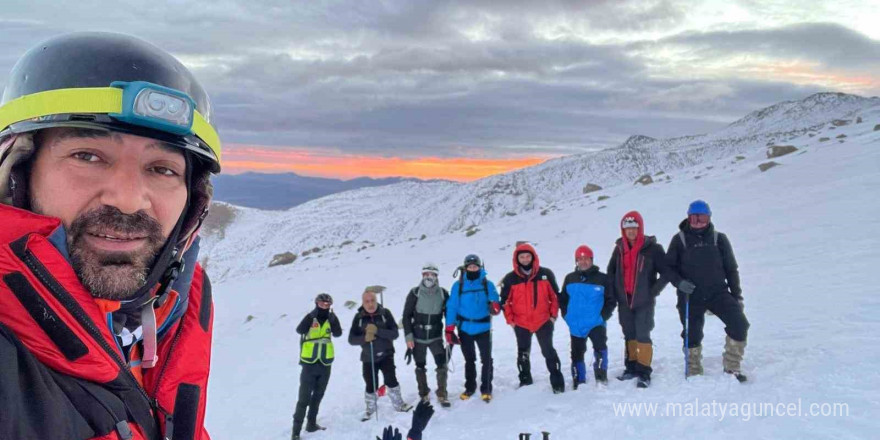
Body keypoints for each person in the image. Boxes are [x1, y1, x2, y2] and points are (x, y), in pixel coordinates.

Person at [0, 32, 221, 439]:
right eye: (88, 156)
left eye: (162, 169)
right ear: (19, 175)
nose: (129, 200)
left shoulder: (168, 320)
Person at [665, 200, 750, 382]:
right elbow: (668, 268)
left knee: (740, 324)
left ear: (709, 218)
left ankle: (732, 365)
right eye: (694, 218)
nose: (698, 221)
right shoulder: (679, 239)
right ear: (688, 218)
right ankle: (693, 367)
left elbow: (731, 269)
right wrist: (679, 283)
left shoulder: (719, 239)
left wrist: (737, 296)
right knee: (692, 333)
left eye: (702, 217)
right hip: (690, 295)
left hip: (718, 293)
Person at [607, 211, 669, 388]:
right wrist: (614, 293)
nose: (631, 232)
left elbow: (666, 273)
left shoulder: (653, 249)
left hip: (644, 301)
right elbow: (611, 272)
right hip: (624, 300)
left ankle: (644, 371)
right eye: (628, 229)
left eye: (634, 228)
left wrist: (653, 291)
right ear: (623, 230)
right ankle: (631, 367)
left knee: (642, 334)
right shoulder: (619, 249)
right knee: (629, 334)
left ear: (640, 228)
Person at [500, 244, 565, 393]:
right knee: (523, 352)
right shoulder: (510, 278)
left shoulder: (545, 274)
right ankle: (525, 380)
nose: (525, 259)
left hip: (543, 321)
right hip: (521, 323)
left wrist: (553, 316)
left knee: (548, 351)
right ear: (517, 259)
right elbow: (505, 301)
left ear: (533, 257)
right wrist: (511, 321)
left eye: (528, 256)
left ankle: (557, 382)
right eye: (521, 257)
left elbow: (555, 297)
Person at [349, 287, 413, 420]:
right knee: (370, 383)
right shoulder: (359, 317)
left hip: (386, 354)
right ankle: (371, 409)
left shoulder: (385, 313)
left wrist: (378, 331)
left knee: (391, 380)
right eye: (367, 301)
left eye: (372, 300)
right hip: (368, 357)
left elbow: (394, 333)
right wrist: (364, 338)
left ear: (376, 300)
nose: (370, 304)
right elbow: (351, 339)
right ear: (363, 303)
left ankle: (399, 404)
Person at [445, 254, 500, 402]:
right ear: (465, 268)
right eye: (470, 267)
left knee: (486, 359)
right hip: (465, 328)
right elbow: (452, 307)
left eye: (475, 266)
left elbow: (495, 300)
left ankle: (486, 387)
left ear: (479, 267)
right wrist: (449, 328)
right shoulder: (458, 286)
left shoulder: (487, 284)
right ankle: (470, 387)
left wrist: (495, 305)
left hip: (484, 327)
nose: (472, 269)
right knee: (469, 359)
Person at [559, 245, 616, 387]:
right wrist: (567, 316)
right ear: (576, 261)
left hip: (596, 323)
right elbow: (563, 299)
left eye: (586, 259)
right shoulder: (570, 278)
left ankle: (601, 376)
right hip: (576, 324)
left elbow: (611, 300)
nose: (583, 262)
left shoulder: (603, 278)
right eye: (580, 259)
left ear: (592, 260)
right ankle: (578, 380)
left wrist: (602, 317)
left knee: (600, 348)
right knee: (576, 353)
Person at [291, 293, 343, 439]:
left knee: (318, 396)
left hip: (325, 363)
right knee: (304, 399)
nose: (325, 306)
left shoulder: (331, 318)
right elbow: (299, 330)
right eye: (322, 303)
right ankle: (295, 432)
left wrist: (334, 319)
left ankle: (311, 424)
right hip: (309, 364)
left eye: (327, 304)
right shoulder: (310, 317)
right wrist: (309, 318)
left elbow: (338, 334)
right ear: (316, 303)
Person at [402, 263, 451, 406]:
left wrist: (450, 331)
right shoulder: (415, 293)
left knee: (441, 364)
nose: (428, 277)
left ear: (436, 276)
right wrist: (408, 337)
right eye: (425, 274)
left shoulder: (443, 293)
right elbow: (406, 316)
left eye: (431, 274)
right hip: (418, 337)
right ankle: (423, 393)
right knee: (420, 366)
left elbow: (449, 314)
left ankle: (442, 393)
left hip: (435, 337)